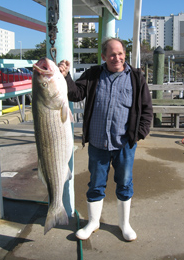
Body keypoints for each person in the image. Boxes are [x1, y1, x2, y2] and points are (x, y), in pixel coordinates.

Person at [59, 37, 153, 241]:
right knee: (95, 184)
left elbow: (147, 109)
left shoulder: (136, 77)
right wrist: (65, 77)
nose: (116, 57)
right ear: (103, 56)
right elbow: (75, 94)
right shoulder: (93, 74)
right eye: (111, 54)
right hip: (98, 143)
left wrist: (139, 134)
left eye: (119, 53)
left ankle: (124, 224)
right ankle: (93, 222)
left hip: (124, 145)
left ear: (124, 54)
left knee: (125, 183)